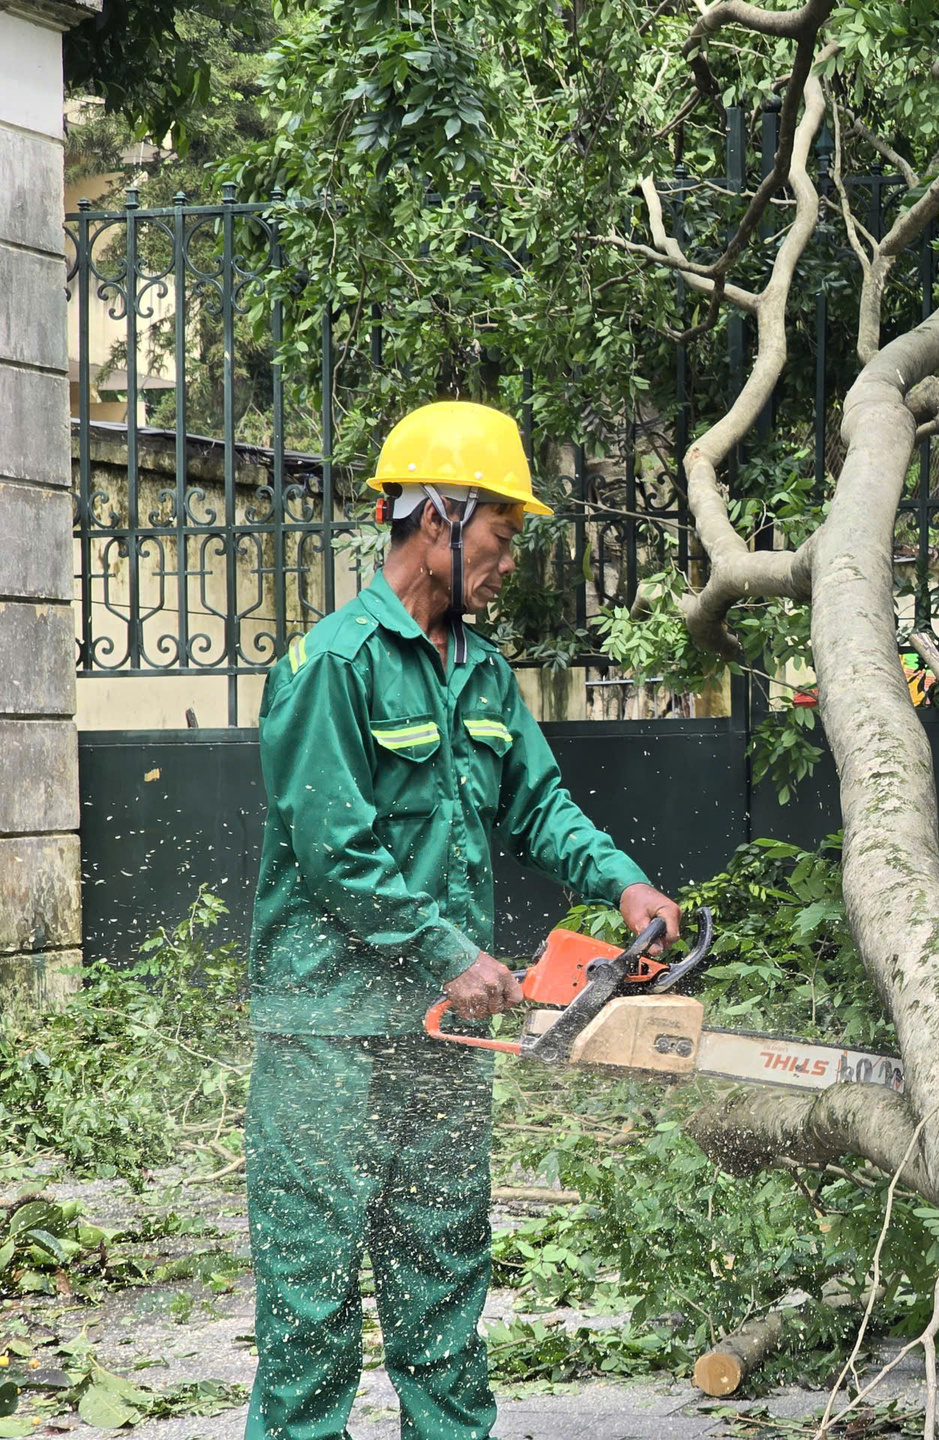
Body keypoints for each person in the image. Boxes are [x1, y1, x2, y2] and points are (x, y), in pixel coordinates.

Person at [242, 400, 680, 1440]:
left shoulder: (482, 673)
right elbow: (334, 848)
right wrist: (449, 951)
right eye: (503, 534)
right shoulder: (332, 666)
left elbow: (539, 804)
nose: (508, 560)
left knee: (444, 1293)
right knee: (310, 1312)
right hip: (329, 1036)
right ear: (437, 515)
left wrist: (623, 883)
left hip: (443, 1040)